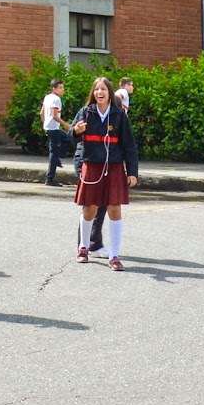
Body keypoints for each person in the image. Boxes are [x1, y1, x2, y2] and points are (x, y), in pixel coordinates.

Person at [72, 76, 138, 270]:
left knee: (115, 209)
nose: (99, 92)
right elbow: (71, 139)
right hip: (91, 165)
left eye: (103, 89)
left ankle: (114, 256)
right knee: (89, 208)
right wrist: (76, 131)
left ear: (110, 93)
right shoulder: (85, 113)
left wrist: (132, 171)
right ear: (93, 93)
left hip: (115, 166)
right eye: (96, 90)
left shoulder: (118, 115)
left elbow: (130, 146)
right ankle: (83, 247)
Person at [42, 79, 70, 187]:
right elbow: (54, 115)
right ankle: (50, 178)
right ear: (54, 88)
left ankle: (58, 158)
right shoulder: (56, 99)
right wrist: (66, 124)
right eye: (60, 88)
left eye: (63, 87)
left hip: (50, 127)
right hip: (53, 128)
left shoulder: (47, 97)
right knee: (53, 152)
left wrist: (45, 125)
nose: (62, 90)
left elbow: (42, 113)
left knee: (67, 138)